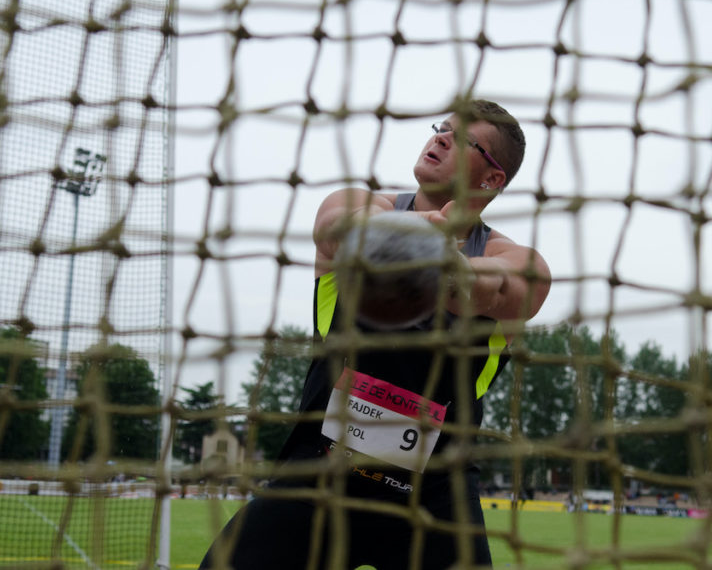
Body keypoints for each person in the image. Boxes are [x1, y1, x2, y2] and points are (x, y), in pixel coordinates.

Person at [199, 99, 551, 570]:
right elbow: (336, 230)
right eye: (442, 128)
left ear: (492, 179)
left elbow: (495, 288)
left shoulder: (519, 261)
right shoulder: (359, 204)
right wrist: (408, 233)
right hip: (320, 472)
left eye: (464, 139)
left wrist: (447, 268)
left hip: (434, 495)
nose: (441, 138)